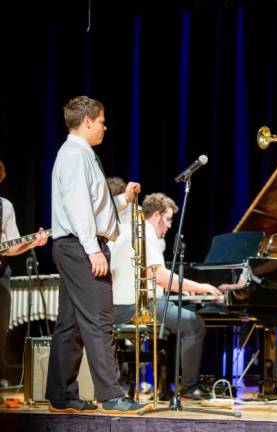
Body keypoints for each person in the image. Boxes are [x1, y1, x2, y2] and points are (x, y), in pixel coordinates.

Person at [46, 95, 147, 414]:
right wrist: (93, 250)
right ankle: (111, 395)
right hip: (80, 246)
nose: (105, 126)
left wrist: (122, 201)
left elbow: (93, 209)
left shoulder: (79, 155)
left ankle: (61, 393)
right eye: (102, 121)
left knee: (71, 323)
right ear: (87, 121)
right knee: (99, 321)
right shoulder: (76, 155)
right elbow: (78, 208)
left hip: (74, 244)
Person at [110, 192, 223, 399]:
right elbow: (158, 275)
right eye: (169, 219)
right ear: (157, 216)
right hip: (133, 307)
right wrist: (199, 286)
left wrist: (182, 288)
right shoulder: (145, 233)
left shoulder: (131, 229)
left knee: (180, 319)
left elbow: (149, 276)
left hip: (122, 305)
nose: (170, 225)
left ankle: (168, 387)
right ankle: (189, 387)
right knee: (194, 323)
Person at [0, 160, 48, 394]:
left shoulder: (4, 206)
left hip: (0, 275)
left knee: (0, 333)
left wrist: (32, 243)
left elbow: (10, 245)